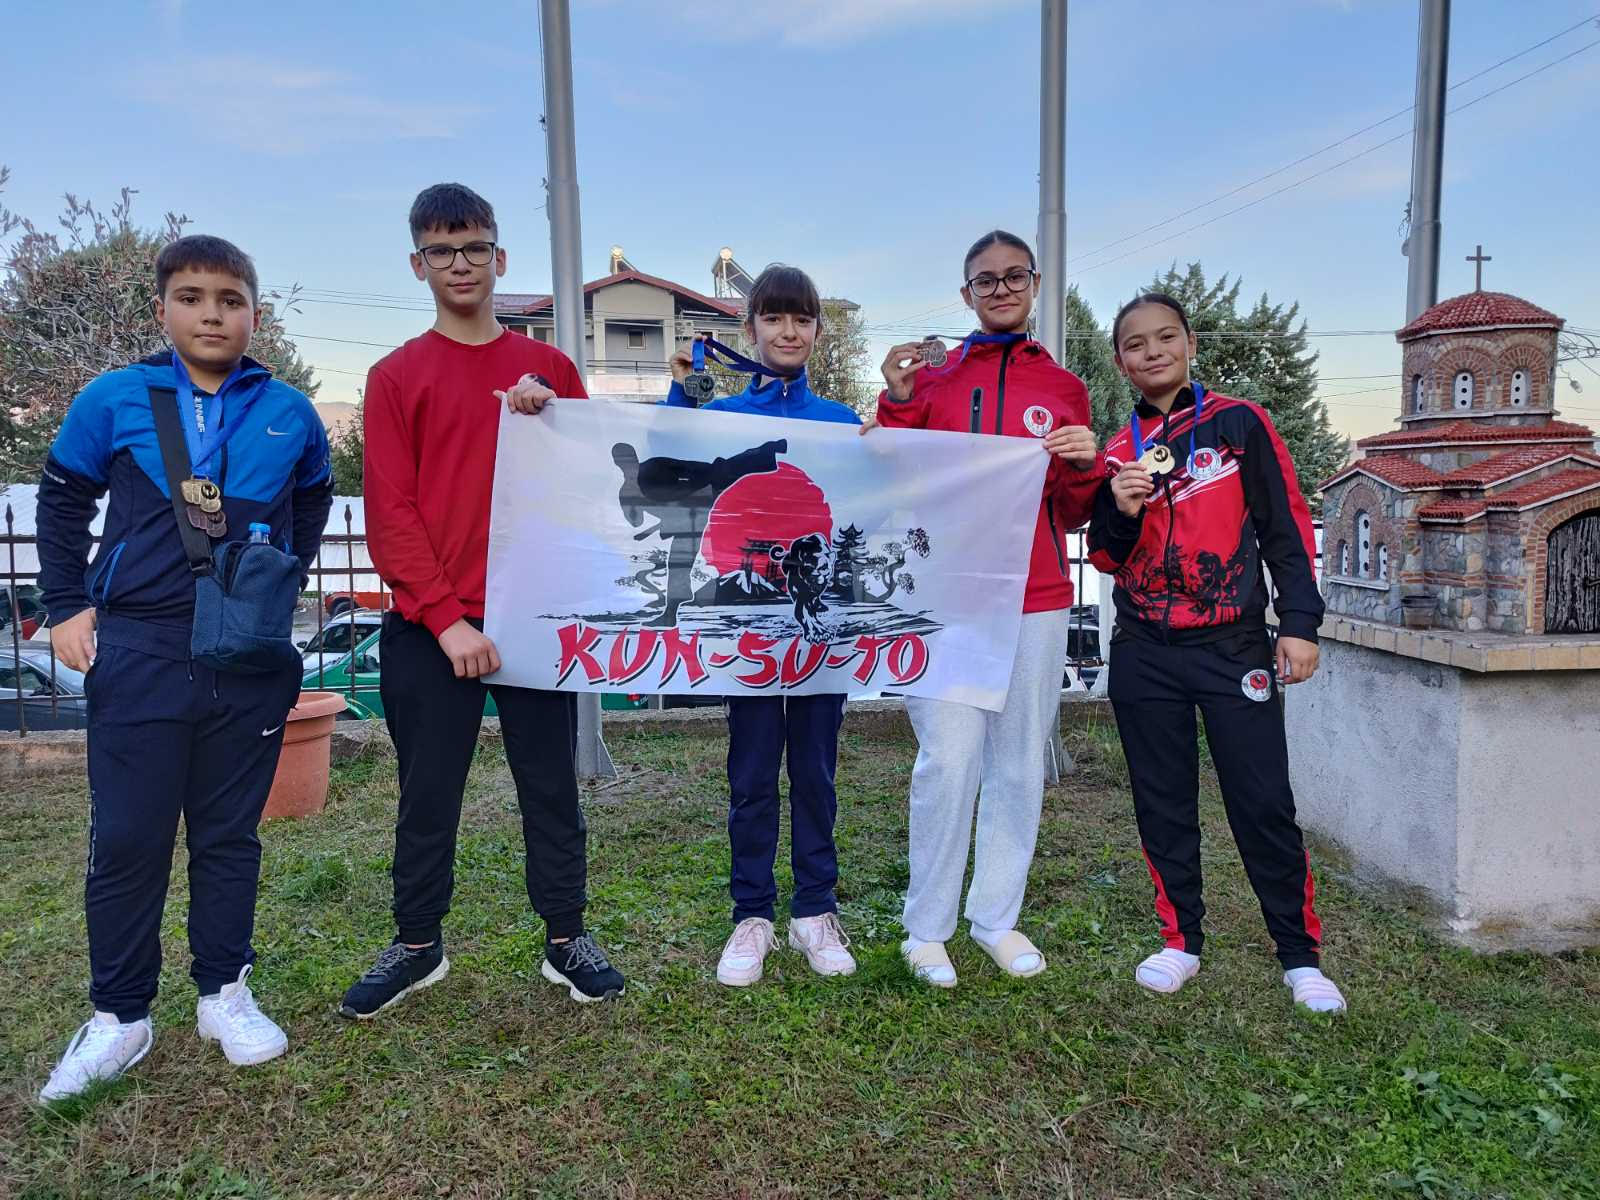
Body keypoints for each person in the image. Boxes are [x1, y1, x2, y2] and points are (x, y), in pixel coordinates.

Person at [34, 235, 334, 1101]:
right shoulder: (116, 397)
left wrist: (277, 579)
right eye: (193, 297)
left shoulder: (290, 412)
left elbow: (313, 497)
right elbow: (61, 499)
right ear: (162, 307)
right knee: (129, 837)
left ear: (254, 314)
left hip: (247, 655)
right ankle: (120, 1015)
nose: (212, 314)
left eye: (231, 300)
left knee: (229, 835)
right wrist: (66, 603)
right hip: (141, 648)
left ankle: (223, 993)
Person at [340, 183, 624, 1017]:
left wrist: (550, 421)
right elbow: (391, 514)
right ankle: (416, 945)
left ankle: (566, 937)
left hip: (532, 615)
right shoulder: (396, 376)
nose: (459, 264)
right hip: (433, 627)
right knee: (428, 793)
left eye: (473, 248)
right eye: (441, 250)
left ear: (499, 258)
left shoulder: (550, 372)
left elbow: (592, 484)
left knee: (551, 786)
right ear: (417, 264)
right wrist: (445, 619)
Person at [1086, 292, 1345, 1014]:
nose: (1153, 352)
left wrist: (1299, 623)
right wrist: (1121, 506)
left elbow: (1285, 526)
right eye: (1136, 344)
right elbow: (1103, 555)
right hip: (1143, 649)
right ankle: (1181, 942)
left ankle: (1299, 957)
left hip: (1233, 644)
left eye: (1166, 337)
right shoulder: (1117, 450)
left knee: (1262, 801)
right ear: (1120, 361)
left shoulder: (1239, 422)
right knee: (1162, 800)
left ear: (1191, 344)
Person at [868, 230, 1101, 988]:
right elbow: (893, 475)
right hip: (944, 597)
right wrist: (898, 401)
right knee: (948, 757)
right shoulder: (932, 380)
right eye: (985, 280)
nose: (1001, 289)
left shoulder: (1063, 387)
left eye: (1014, 277)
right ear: (965, 294)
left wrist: (1084, 465)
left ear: (1034, 284)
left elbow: (1072, 510)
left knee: (1018, 760)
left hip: (1035, 597)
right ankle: (926, 927)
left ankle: (996, 916)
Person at [662, 264, 862, 987]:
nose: (788, 331)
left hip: (817, 636)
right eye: (773, 318)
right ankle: (752, 915)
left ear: (817, 331)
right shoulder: (718, 416)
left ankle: (814, 910)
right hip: (742, 629)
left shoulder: (842, 421)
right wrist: (681, 391)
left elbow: (882, 492)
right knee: (750, 773)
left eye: (801, 319)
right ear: (748, 330)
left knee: (815, 772)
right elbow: (667, 454)